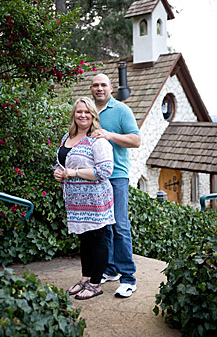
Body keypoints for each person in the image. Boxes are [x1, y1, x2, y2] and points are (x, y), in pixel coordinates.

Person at [53, 96, 115, 300]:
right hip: (75, 200)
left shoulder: (98, 140)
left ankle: (96, 283)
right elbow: (63, 162)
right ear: (74, 114)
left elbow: (104, 171)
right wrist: (58, 172)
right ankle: (86, 278)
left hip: (95, 199)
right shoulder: (67, 137)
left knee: (97, 239)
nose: (83, 115)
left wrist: (73, 173)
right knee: (85, 239)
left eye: (87, 111)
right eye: (79, 111)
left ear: (93, 115)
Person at [90, 73, 141, 298]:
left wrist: (109, 135)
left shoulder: (122, 111)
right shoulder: (89, 112)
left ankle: (128, 278)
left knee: (120, 225)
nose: (99, 89)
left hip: (118, 176)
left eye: (103, 85)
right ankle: (109, 270)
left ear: (111, 87)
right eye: (95, 85)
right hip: (96, 176)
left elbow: (136, 140)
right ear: (91, 88)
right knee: (105, 226)